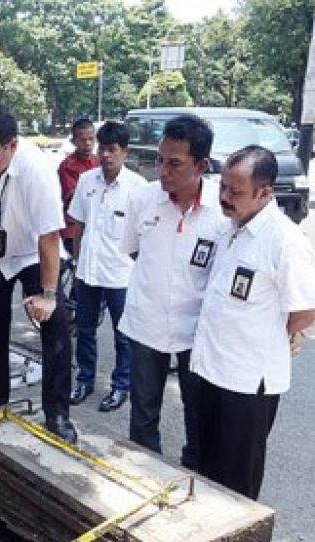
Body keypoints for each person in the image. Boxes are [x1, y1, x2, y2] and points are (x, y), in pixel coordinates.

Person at [191, 146, 315, 499]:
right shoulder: (233, 226)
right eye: (223, 188)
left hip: (247, 382)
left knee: (237, 483)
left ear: (265, 193)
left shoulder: (284, 240)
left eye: (236, 191)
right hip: (212, 370)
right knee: (209, 470)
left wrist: (273, 337)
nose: (226, 198)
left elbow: (305, 309)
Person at [0, 103, 76, 444]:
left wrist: (49, 295)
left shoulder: (35, 169)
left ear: (11, 146)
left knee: (56, 330)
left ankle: (58, 414)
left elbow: (49, 235)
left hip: (35, 253)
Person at [120, 115, 229, 469]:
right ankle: (146, 477)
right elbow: (134, 250)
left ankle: (192, 476)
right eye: (159, 160)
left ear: (202, 165)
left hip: (197, 331)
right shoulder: (142, 200)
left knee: (198, 413)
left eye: (175, 163)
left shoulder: (221, 212)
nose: (163, 171)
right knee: (143, 412)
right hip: (146, 322)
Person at [67, 121, 145, 412]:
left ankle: (121, 386)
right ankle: (85, 379)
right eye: (103, 149)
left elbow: (143, 235)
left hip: (121, 275)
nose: (106, 156)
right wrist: (76, 263)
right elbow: (79, 225)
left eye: (113, 150)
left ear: (124, 151)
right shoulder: (87, 181)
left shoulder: (137, 188)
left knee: (123, 335)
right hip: (88, 270)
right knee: (84, 329)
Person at [58, 118, 99, 254]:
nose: (87, 143)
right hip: (73, 229)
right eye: (83, 140)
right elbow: (74, 197)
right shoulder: (67, 166)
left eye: (91, 139)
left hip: (96, 226)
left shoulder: (99, 161)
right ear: (74, 141)